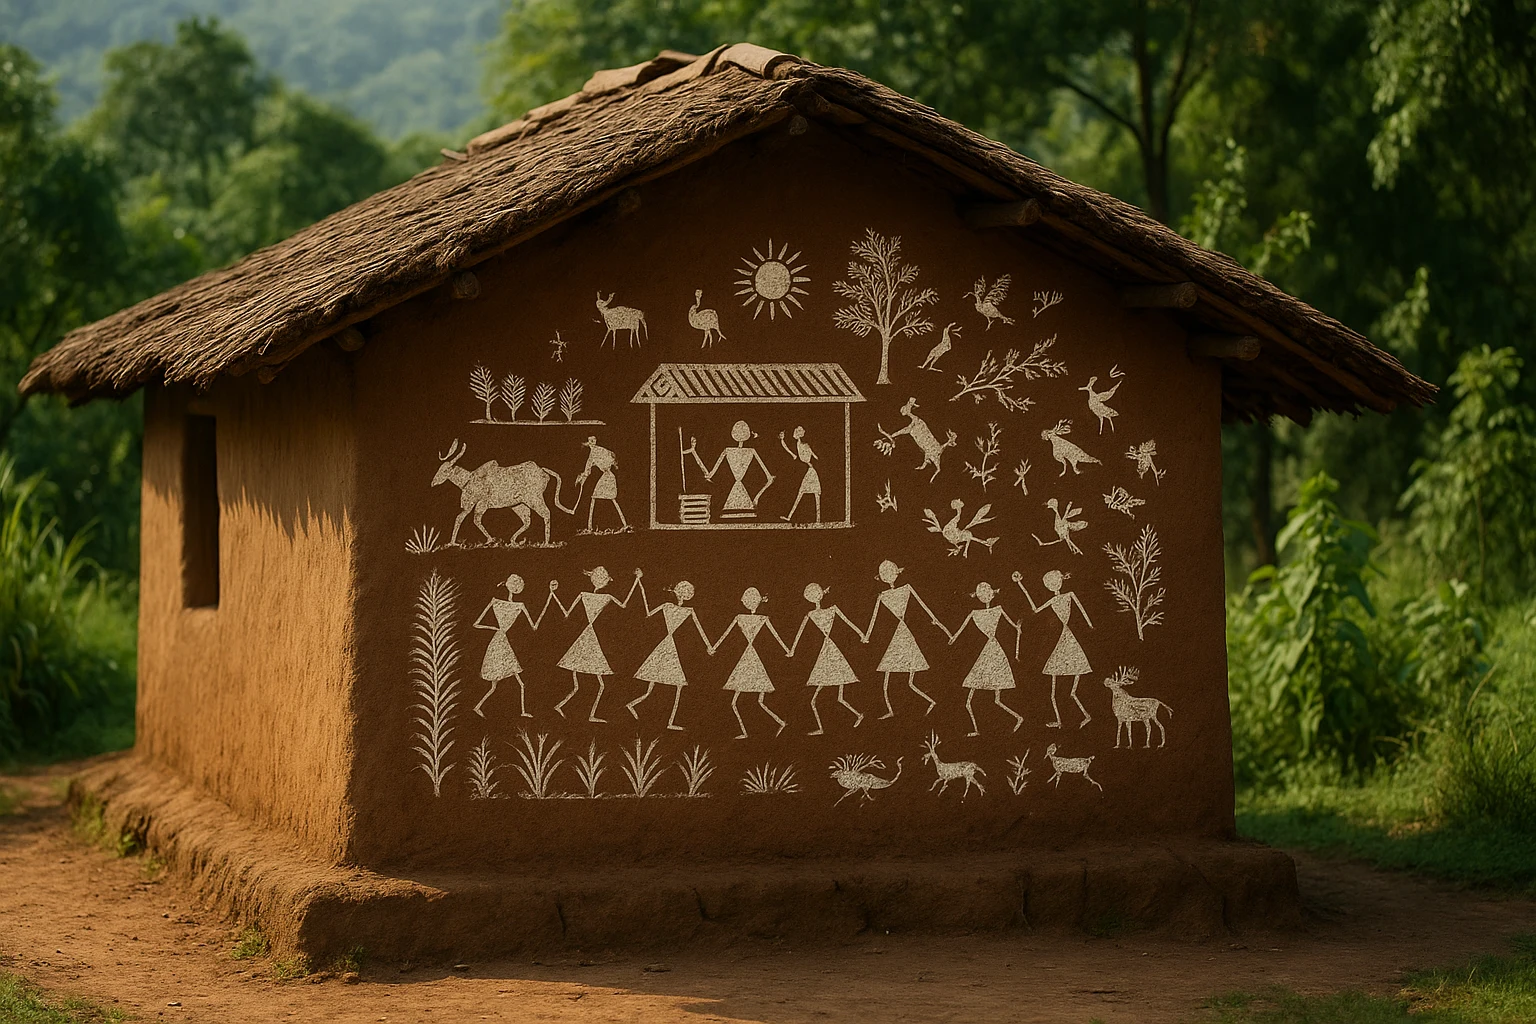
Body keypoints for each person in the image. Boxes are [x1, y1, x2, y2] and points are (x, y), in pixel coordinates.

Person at [549, 566, 642, 722]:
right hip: (588, 640)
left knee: (582, 685)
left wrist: (553, 594)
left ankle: (565, 707)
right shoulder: (604, 596)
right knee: (597, 685)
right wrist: (637, 580)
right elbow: (624, 604)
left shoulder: (587, 595)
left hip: (587, 640)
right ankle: (579, 712)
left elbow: (566, 612)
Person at [1014, 569, 1094, 729]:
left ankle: (1086, 716)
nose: (1052, 585)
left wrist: (1090, 624)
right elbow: (1035, 609)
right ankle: (1061, 720)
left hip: (1069, 641)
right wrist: (1021, 585)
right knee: (1054, 691)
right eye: (1048, 584)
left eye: (1053, 582)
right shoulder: (1053, 600)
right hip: (1064, 641)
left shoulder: (1069, 594)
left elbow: (1082, 610)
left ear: (1060, 580)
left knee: (1070, 691)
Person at [942, 581, 1025, 736]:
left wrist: (1018, 631)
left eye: (986, 592)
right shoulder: (975, 613)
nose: (984, 596)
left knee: (994, 700)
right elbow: (959, 631)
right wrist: (949, 635)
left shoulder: (998, 609)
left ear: (992, 593)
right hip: (987, 655)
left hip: (994, 654)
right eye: (981, 593)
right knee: (971, 701)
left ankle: (1018, 718)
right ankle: (977, 729)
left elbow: (1014, 627)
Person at [626, 580, 710, 731]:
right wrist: (640, 585)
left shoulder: (680, 608)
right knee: (672, 685)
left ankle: (634, 706)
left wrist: (709, 646)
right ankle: (640, 709)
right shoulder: (676, 608)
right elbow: (649, 613)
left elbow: (699, 628)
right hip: (667, 649)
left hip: (667, 649)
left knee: (660, 686)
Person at [862, 559, 941, 718]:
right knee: (887, 680)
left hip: (904, 637)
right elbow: (874, 617)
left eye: (890, 571)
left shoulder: (906, 588)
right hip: (897, 639)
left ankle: (931, 702)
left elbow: (921, 603)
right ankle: (891, 710)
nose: (888, 575)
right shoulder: (882, 595)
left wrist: (935, 620)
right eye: (884, 573)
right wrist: (867, 635)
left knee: (909, 682)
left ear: (897, 572)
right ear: (881, 577)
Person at [710, 587, 789, 739]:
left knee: (741, 702)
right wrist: (788, 649)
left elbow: (774, 635)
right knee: (755, 701)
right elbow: (727, 633)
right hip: (749, 660)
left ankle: (773, 724)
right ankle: (775, 723)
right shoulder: (751, 617)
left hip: (750, 660)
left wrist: (788, 649)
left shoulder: (751, 618)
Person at [789, 583, 866, 734]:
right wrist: (792, 650)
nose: (814, 597)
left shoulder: (832, 609)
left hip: (832, 655)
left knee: (822, 699)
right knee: (834, 698)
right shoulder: (811, 614)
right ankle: (856, 715)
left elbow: (847, 622)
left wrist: (861, 634)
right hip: (827, 655)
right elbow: (800, 633)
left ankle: (856, 716)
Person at [471, 573, 551, 717]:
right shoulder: (499, 602)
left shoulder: (514, 604)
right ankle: (522, 711)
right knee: (507, 683)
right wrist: (495, 628)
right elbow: (476, 624)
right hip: (499, 645)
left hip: (501, 644)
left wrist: (548, 599)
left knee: (500, 685)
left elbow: (533, 626)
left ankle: (480, 707)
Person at [686, 420, 775, 519]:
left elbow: (709, 475)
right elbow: (769, 478)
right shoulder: (747, 451)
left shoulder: (729, 451)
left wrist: (694, 453)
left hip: (737, 506)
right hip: (739, 506)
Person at [575, 436, 629, 533]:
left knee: (603, 499)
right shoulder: (597, 452)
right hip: (608, 476)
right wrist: (582, 477)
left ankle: (590, 527)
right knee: (605, 499)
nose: (592, 442)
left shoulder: (597, 452)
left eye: (593, 440)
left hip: (608, 477)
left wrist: (581, 477)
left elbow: (588, 471)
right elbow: (588, 471)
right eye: (590, 441)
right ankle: (623, 524)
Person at [778, 426, 821, 522]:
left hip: (811, 471)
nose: (794, 433)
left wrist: (783, 441)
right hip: (809, 470)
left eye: (796, 431)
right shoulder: (801, 445)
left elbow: (815, 457)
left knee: (812, 493)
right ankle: (791, 517)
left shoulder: (804, 445)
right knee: (807, 493)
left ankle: (818, 519)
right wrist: (782, 440)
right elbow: (789, 450)